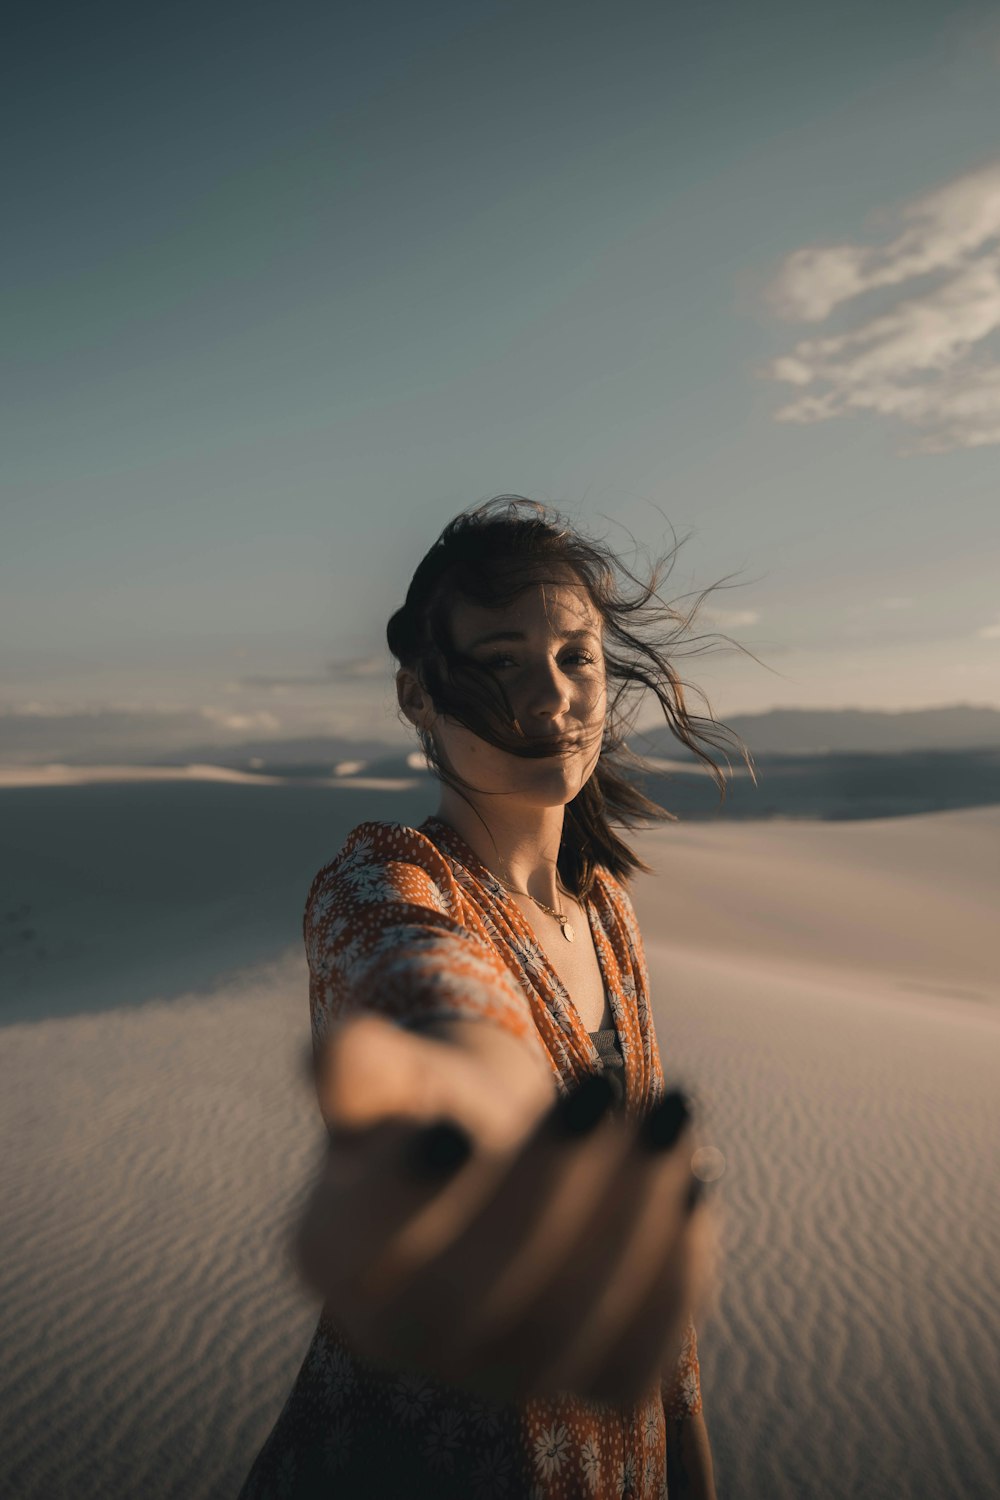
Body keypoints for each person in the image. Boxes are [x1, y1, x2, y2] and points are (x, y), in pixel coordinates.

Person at [239, 496, 746, 1499]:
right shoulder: (381, 886)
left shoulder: (608, 915)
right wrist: (474, 1092)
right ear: (416, 697)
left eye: (574, 656)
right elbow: (436, 986)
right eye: (500, 660)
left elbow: (648, 1286)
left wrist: (690, 1469)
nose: (551, 696)